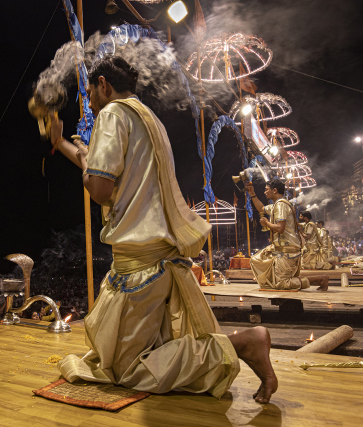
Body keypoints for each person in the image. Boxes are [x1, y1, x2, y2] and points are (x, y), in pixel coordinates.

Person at [49, 56, 277, 404]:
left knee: (126, 369)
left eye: (90, 93)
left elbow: (100, 189)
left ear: (103, 84)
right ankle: (235, 346)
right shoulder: (147, 117)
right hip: (155, 255)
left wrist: (84, 159)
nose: (89, 104)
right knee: (124, 354)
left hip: (141, 263)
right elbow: (104, 171)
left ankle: (242, 344)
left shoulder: (112, 113)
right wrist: (68, 146)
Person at [245, 179, 329, 291]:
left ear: (274, 190)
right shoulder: (278, 205)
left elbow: (280, 228)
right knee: (257, 259)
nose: (265, 192)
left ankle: (320, 279)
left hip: (287, 250)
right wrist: (252, 194)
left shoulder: (281, 205)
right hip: (282, 248)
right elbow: (261, 208)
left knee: (281, 283)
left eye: (266, 189)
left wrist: (267, 223)